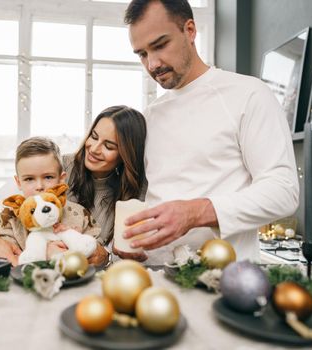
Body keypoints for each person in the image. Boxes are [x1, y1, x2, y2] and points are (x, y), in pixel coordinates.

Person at [119, 0, 299, 264]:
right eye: (142, 54)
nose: (153, 64)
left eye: (159, 45)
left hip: (223, 282)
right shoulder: (151, 114)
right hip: (152, 278)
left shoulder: (249, 95)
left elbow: (283, 191)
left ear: (190, 30)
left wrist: (195, 212)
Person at [0, 105, 147, 265]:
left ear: (126, 154)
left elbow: (117, 254)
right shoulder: (55, 167)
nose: (94, 148)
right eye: (93, 136)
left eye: (109, 146)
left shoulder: (134, 192)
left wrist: (105, 256)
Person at [0, 137, 106, 264]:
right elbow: (9, 258)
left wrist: (79, 241)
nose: (39, 186)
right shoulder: (9, 218)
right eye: (29, 179)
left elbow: (95, 249)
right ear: (18, 182)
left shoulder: (80, 213)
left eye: (48, 177)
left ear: (61, 179)